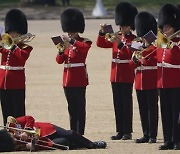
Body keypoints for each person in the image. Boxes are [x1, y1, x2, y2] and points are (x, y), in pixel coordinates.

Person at [96, 2, 138, 140]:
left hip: (126, 74)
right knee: (117, 103)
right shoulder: (116, 36)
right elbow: (101, 44)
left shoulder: (134, 39)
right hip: (115, 74)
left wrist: (120, 43)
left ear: (131, 26)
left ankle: (127, 131)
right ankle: (120, 130)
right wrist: (102, 33)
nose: (122, 27)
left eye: (125, 25)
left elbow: (129, 54)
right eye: (121, 25)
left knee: (126, 103)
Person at [56, 8, 92, 135]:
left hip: (79, 79)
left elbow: (83, 49)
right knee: (71, 108)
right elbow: (59, 61)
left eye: (72, 32)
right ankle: (73, 132)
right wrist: (61, 51)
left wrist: (71, 41)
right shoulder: (67, 44)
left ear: (78, 31)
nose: (70, 34)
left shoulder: (84, 42)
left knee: (80, 108)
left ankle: (80, 133)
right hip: (67, 79)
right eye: (69, 32)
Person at [0, 115, 107, 152]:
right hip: (46, 141)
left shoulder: (12, 125)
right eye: (12, 139)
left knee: (69, 134)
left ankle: (92, 144)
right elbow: (37, 146)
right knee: (65, 142)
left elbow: (29, 118)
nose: (14, 137)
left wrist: (26, 131)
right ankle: (79, 144)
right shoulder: (17, 146)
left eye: (11, 135)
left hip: (46, 129)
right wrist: (31, 146)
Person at [0, 9, 33, 125]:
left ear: (20, 34)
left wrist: (13, 46)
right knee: (6, 112)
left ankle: (19, 136)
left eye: (15, 33)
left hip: (16, 83)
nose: (12, 35)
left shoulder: (25, 48)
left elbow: (22, 57)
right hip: (2, 82)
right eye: (11, 32)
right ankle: (8, 136)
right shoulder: (4, 45)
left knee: (18, 112)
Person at [131, 11, 159, 143]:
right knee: (143, 108)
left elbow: (154, 61)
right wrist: (135, 60)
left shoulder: (155, 46)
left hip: (151, 80)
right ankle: (146, 133)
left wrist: (143, 55)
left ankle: (153, 135)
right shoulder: (137, 44)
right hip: (139, 81)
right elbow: (131, 64)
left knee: (152, 108)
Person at [157, 4, 180, 150]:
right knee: (165, 113)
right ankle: (168, 140)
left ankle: (178, 140)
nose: (165, 30)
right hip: (162, 82)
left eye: (167, 27)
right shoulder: (161, 42)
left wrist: (172, 45)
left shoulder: (177, 42)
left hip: (176, 82)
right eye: (163, 27)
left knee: (176, 114)